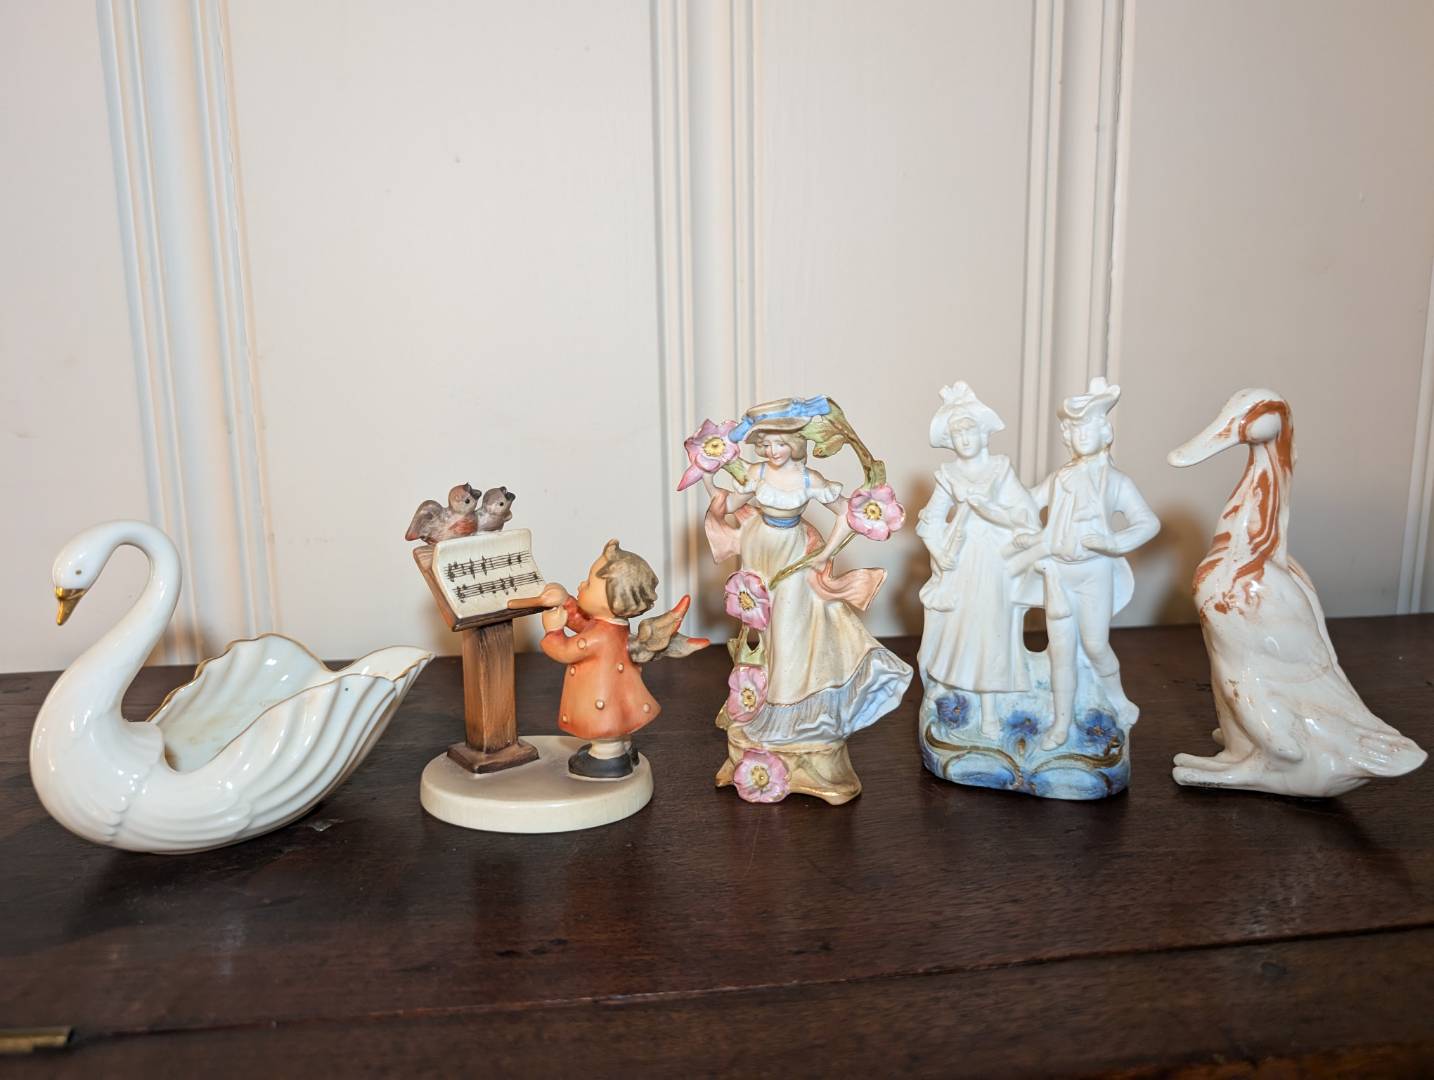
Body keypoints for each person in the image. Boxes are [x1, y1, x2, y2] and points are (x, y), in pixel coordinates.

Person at [702, 399, 911, 747]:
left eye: (780, 443)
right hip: (759, 553)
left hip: (793, 555)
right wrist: (708, 478)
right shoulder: (758, 474)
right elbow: (729, 505)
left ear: (794, 444)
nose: (773, 451)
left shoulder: (808, 479)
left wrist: (826, 554)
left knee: (790, 630)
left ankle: (788, 715)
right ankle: (765, 703)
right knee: (767, 631)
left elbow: (847, 513)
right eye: (767, 444)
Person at [1009, 377, 1159, 749]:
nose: (1081, 436)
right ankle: (1061, 723)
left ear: (1104, 432)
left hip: (1094, 573)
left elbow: (1148, 523)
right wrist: (1000, 496)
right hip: (1058, 573)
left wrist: (1113, 543)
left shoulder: (1116, 482)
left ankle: (1118, 699)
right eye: (1074, 430)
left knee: (1094, 644)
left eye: (1088, 428)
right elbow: (1028, 502)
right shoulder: (1060, 478)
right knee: (1060, 650)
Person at [916, 383, 1039, 736]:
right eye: (957, 433)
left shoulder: (1000, 469)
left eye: (969, 429)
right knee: (960, 631)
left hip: (995, 560)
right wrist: (939, 552)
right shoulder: (948, 475)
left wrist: (991, 510)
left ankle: (990, 712)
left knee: (991, 631)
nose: (964, 438)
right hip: (962, 561)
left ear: (984, 433)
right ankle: (951, 695)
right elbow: (929, 520)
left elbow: (1026, 514)